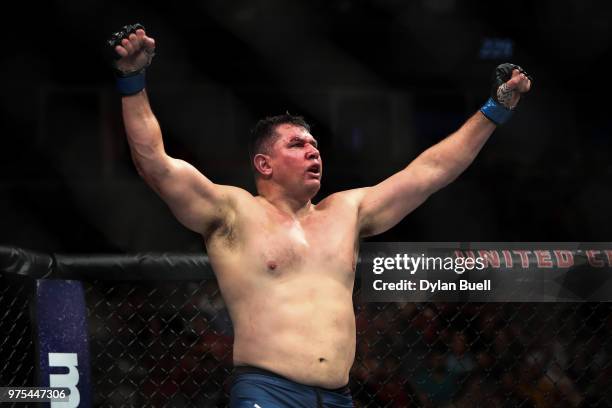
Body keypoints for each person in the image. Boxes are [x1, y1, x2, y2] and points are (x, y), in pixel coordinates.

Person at [108, 23, 532, 408]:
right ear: (264, 164)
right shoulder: (232, 211)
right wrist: (133, 80)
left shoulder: (347, 211)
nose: (313, 150)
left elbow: (431, 172)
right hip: (266, 391)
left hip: (337, 397)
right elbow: (155, 164)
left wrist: (495, 109)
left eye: (314, 144)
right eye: (297, 144)